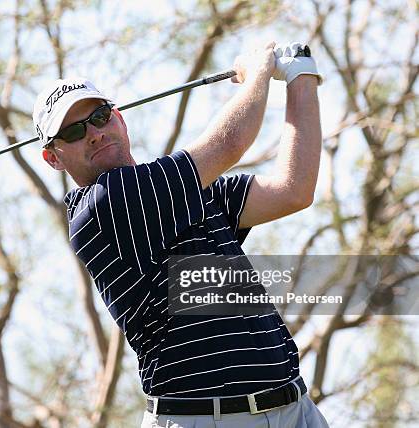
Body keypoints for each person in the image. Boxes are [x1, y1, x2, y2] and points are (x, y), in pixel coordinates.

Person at [32, 41, 329, 427]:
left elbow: (294, 190)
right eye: (73, 131)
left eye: (100, 115)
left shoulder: (185, 192)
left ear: (119, 118)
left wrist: (300, 76)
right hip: (204, 419)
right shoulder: (104, 205)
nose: (93, 133)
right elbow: (229, 144)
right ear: (53, 157)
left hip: (294, 407)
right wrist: (257, 73)